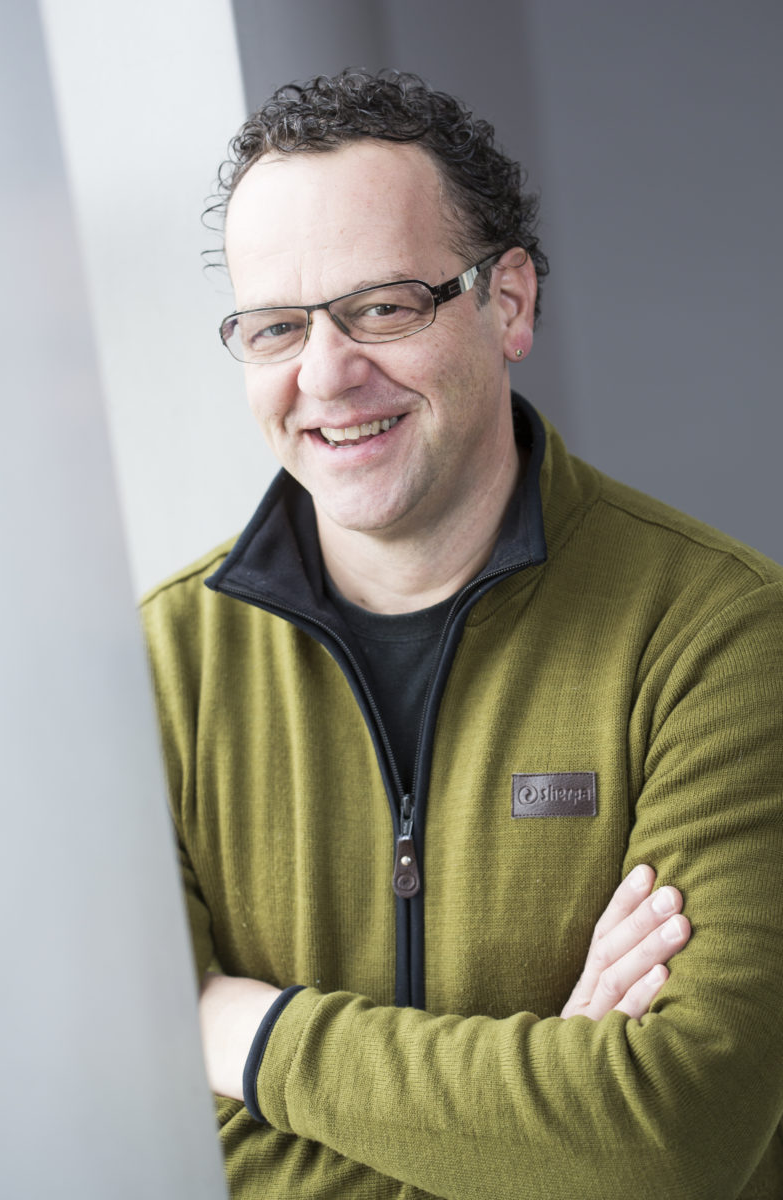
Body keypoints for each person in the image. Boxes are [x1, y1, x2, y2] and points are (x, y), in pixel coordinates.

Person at [141, 70, 783, 1198]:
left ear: (509, 303)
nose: (326, 374)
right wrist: (547, 1130)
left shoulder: (719, 636)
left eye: (384, 306)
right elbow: (150, 1141)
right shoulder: (160, 671)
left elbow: (671, 1138)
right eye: (276, 328)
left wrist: (250, 1036)